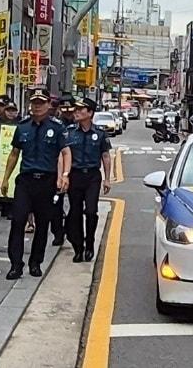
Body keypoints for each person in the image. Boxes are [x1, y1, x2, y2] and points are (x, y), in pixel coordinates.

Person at [0, 87, 71, 280]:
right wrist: (5, 178)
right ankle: (15, 264)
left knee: (42, 224)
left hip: (47, 181)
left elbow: (65, 152)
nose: (37, 106)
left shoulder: (57, 128)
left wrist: (64, 175)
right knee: (18, 221)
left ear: (48, 105)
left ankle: (35, 263)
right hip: (25, 181)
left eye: (41, 103)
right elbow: (14, 154)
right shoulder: (22, 127)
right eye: (34, 103)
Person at [65, 98, 112, 263]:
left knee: (91, 211)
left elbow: (105, 156)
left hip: (92, 176)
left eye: (80, 109)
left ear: (90, 113)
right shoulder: (69, 132)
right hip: (74, 176)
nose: (76, 112)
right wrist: (63, 176)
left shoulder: (99, 133)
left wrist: (107, 179)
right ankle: (78, 247)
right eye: (75, 109)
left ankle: (90, 243)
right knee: (75, 212)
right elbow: (63, 155)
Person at [50, 95, 77, 247]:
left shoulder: (79, 124)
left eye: (70, 109)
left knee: (76, 205)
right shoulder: (55, 125)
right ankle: (57, 233)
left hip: (76, 170)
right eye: (64, 109)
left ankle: (69, 229)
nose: (67, 112)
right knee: (55, 204)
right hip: (57, 169)